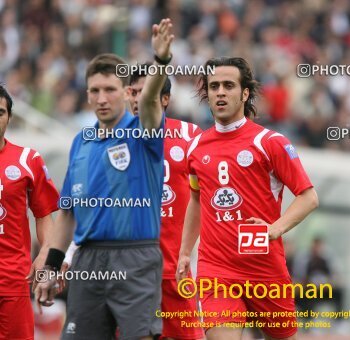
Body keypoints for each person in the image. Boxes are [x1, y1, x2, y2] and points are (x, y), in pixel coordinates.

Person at [34, 18, 174, 339]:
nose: (101, 98)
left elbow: (151, 100)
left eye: (110, 90)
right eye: (95, 91)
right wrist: (50, 268)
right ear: (86, 94)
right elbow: (68, 212)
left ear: (126, 93)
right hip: (88, 259)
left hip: (135, 257)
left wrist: (161, 61)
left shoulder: (142, 132)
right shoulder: (81, 142)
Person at [176, 57, 319, 340]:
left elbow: (308, 197)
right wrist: (184, 252)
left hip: (264, 266)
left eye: (228, 85)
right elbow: (196, 200)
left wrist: (275, 228)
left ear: (244, 93)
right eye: (214, 86)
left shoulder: (270, 143)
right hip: (217, 268)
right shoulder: (195, 147)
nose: (220, 92)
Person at [62, 62, 205, 340]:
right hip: (123, 271)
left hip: (175, 271)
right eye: (134, 92)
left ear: (164, 99)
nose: (139, 98)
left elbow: (208, 192)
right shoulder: (106, 140)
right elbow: (90, 207)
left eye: (146, 92)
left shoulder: (190, 137)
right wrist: (68, 253)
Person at [0, 85, 59, 339]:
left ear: (10, 117)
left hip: (13, 281)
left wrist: (47, 254)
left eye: (0, 112)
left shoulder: (27, 160)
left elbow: (45, 215)